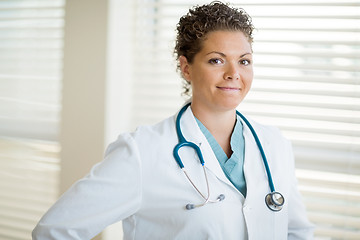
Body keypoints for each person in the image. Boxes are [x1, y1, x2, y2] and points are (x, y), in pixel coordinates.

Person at [32, 1, 314, 239]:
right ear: (186, 67)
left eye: (244, 61)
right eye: (216, 60)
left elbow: (297, 232)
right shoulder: (142, 152)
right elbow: (54, 230)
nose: (233, 73)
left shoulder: (274, 145)